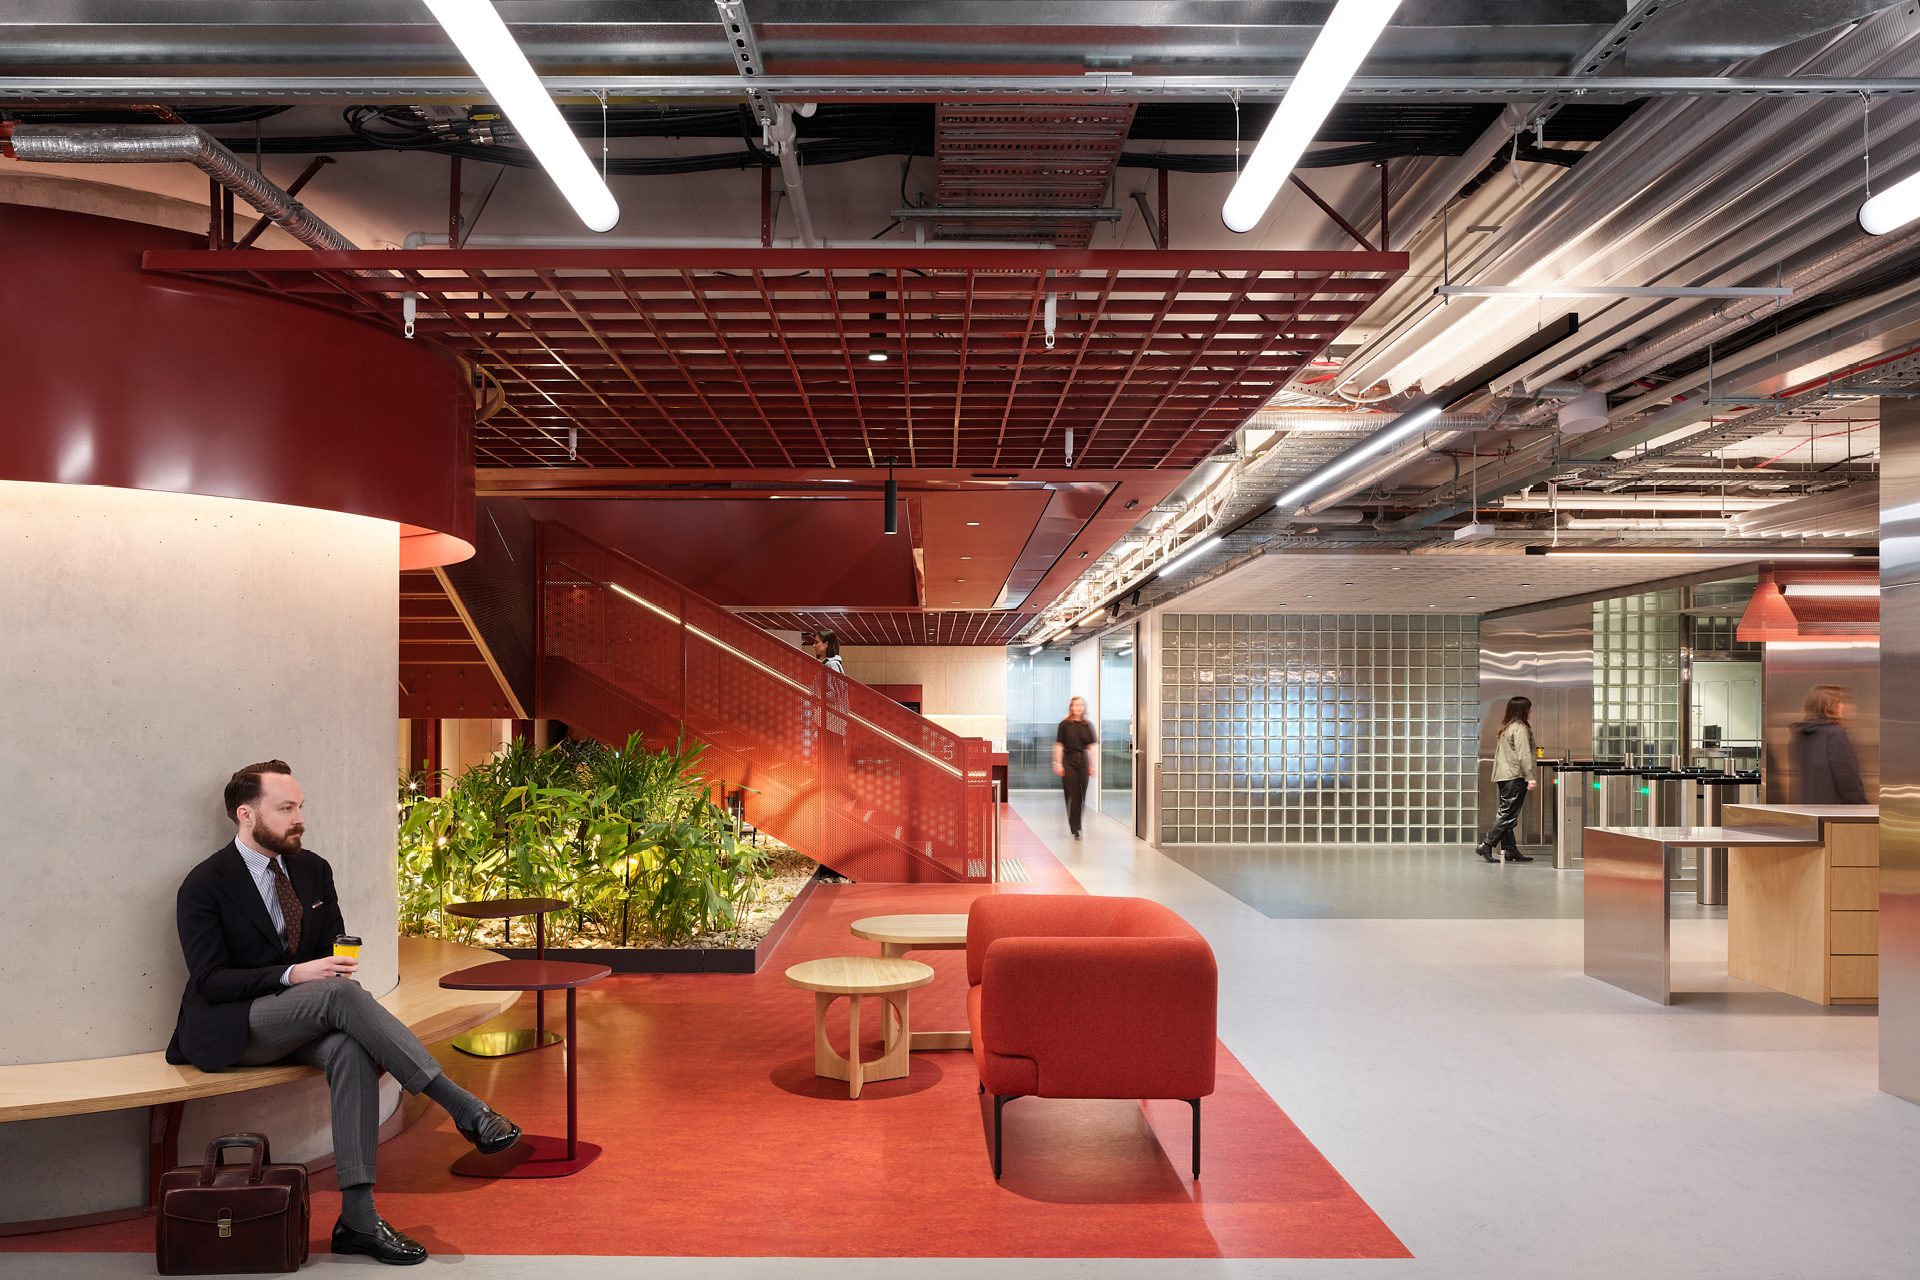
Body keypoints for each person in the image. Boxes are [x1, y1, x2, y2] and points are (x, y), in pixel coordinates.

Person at [167, 761, 523, 1266]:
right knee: (338, 999)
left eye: (300, 807)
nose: (299, 818)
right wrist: (296, 976)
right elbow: (209, 980)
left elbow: (334, 938)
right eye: (285, 808)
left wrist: (336, 960)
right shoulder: (205, 883)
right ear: (246, 814)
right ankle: (464, 1107)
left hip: (305, 1016)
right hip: (235, 1025)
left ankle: (357, 1217)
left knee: (350, 1046)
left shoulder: (313, 869)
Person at [1476, 696, 1537, 864]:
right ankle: (1486, 845)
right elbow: (1523, 754)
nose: (1531, 711)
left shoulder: (1506, 727)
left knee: (1509, 814)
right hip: (1514, 776)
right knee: (1507, 814)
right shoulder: (1520, 728)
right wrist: (1530, 777)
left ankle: (1511, 850)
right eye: (1529, 708)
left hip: (1504, 775)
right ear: (1523, 710)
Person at [1789, 684, 1868, 804]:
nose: (1843, 706)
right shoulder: (1834, 733)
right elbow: (1846, 777)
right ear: (1828, 706)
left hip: (1807, 807)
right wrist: (1860, 805)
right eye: (1839, 702)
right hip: (1834, 811)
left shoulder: (1801, 733)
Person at [1052, 695, 1098, 839]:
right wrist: (1058, 763)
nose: (1078, 707)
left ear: (1084, 708)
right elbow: (1059, 745)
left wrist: (1092, 765)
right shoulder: (1064, 724)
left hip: (1082, 760)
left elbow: (1092, 747)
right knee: (1073, 793)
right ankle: (1074, 826)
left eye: (1081, 705)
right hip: (1068, 760)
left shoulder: (1087, 725)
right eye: (1076, 705)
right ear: (1071, 707)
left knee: (1082, 794)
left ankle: (1077, 823)